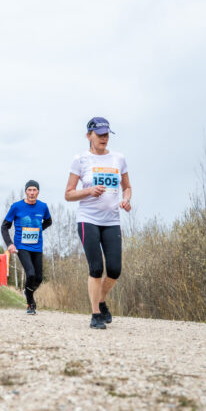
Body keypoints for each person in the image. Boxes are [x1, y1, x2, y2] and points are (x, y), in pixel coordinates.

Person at [65, 117, 132, 330]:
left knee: (114, 270)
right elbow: (68, 194)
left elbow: (127, 187)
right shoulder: (81, 160)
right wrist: (88, 191)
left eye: (106, 134)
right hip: (88, 220)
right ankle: (95, 314)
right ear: (89, 136)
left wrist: (127, 200)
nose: (104, 138)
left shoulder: (118, 159)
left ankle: (101, 300)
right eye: (99, 134)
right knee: (96, 267)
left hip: (112, 221)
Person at [1, 180, 52, 315]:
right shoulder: (16, 207)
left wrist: (39, 229)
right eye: (29, 190)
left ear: (38, 192)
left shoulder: (43, 206)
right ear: (26, 192)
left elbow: (48, 221)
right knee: (30, 273)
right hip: (21, 246)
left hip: (37, 246)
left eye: (34, 190)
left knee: (39, 278)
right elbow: (4, 226)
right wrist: (10, 244)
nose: (32, 193)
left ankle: (27, 292)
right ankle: (30, 303)